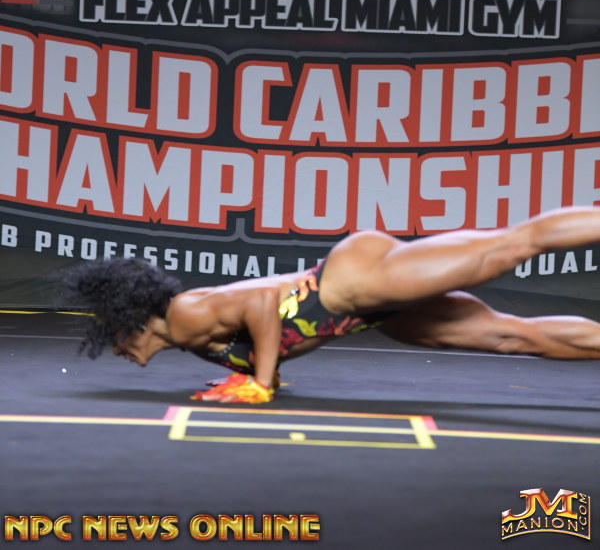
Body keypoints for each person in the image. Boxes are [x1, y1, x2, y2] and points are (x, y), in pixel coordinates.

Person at [63, 206, 600, 404]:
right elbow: (260, 333)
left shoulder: (184, 316)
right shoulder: (192, 340)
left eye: (111, 335)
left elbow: (260, 303)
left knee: (509, 246)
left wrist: (261, 382)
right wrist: (254, 374)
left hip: (356, 281)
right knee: (511, 337)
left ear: (132, 320)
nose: (114, 348)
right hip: (363, 312)